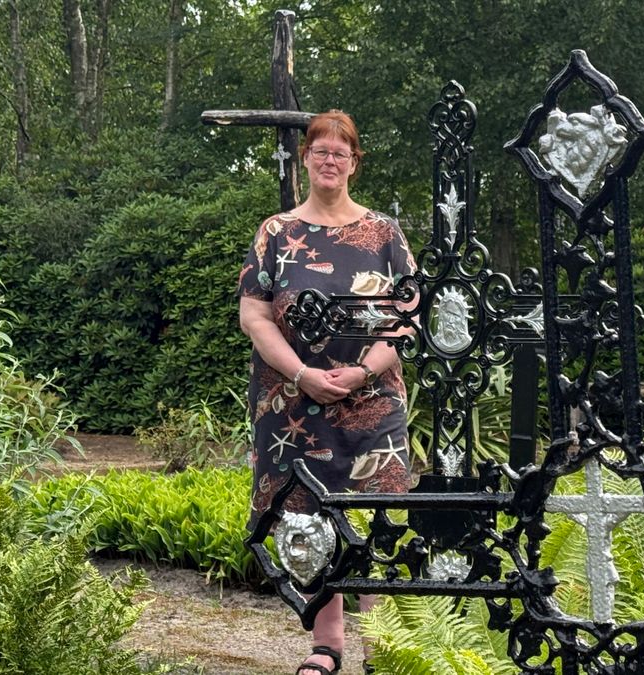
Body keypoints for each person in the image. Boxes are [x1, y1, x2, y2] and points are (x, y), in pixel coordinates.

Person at [238, 110, 415, 675]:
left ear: (354, 163)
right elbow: (254, 316)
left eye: (341, 152)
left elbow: (409, 316)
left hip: (372, 399)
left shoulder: (385, 233)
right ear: (306, 159)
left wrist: (362, 371)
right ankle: (327, 644)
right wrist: (301, 374)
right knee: (305, 515)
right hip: (293, 400)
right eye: (321, 151)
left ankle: (384, 648)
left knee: (381, 514)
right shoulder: (275, 231)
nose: (330, 160)